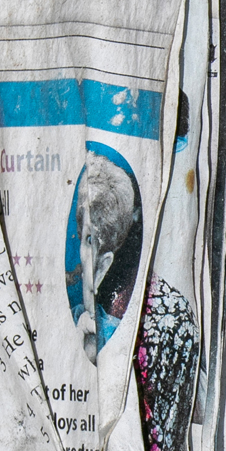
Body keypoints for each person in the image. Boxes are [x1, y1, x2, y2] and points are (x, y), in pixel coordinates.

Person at [73, 151, 140, 364]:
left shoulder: (118, 334)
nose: (83, 254)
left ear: (105, 264)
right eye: (85, 238)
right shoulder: (64, 318)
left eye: (91, 240)